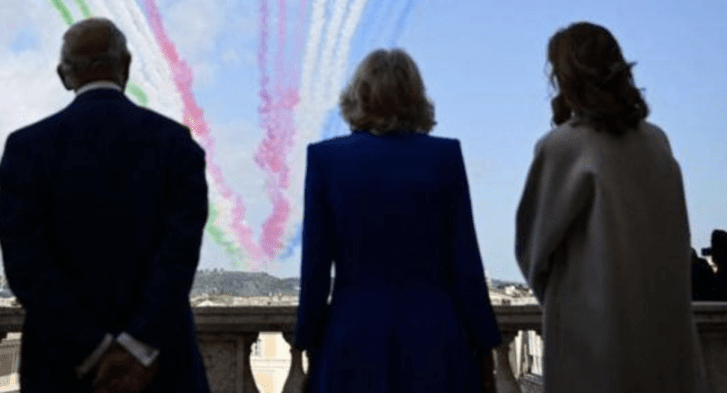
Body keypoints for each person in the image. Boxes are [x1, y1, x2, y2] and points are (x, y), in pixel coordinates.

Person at [0, 17, 210, 393]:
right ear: (125, 64)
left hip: (61, 369)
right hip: (163, 367)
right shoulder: (176, 142)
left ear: (64, 75)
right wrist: (137, 346)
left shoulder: (26, 149)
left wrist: (92, 347)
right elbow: (179, 256)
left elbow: (25, 264)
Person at [515, 22, 707, 393]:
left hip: (595, 342)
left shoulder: (563, 147)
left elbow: (534, 253)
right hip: (665, 335)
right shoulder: (657, 142)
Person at [294, 49, 500, 393]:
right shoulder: (444, 157)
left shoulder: (326, 159)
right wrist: (486, 345)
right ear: (415, 97)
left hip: (352, 338)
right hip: (436, 338)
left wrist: (307, 345)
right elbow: (466, 263)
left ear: (359, 96)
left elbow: (315, 269)